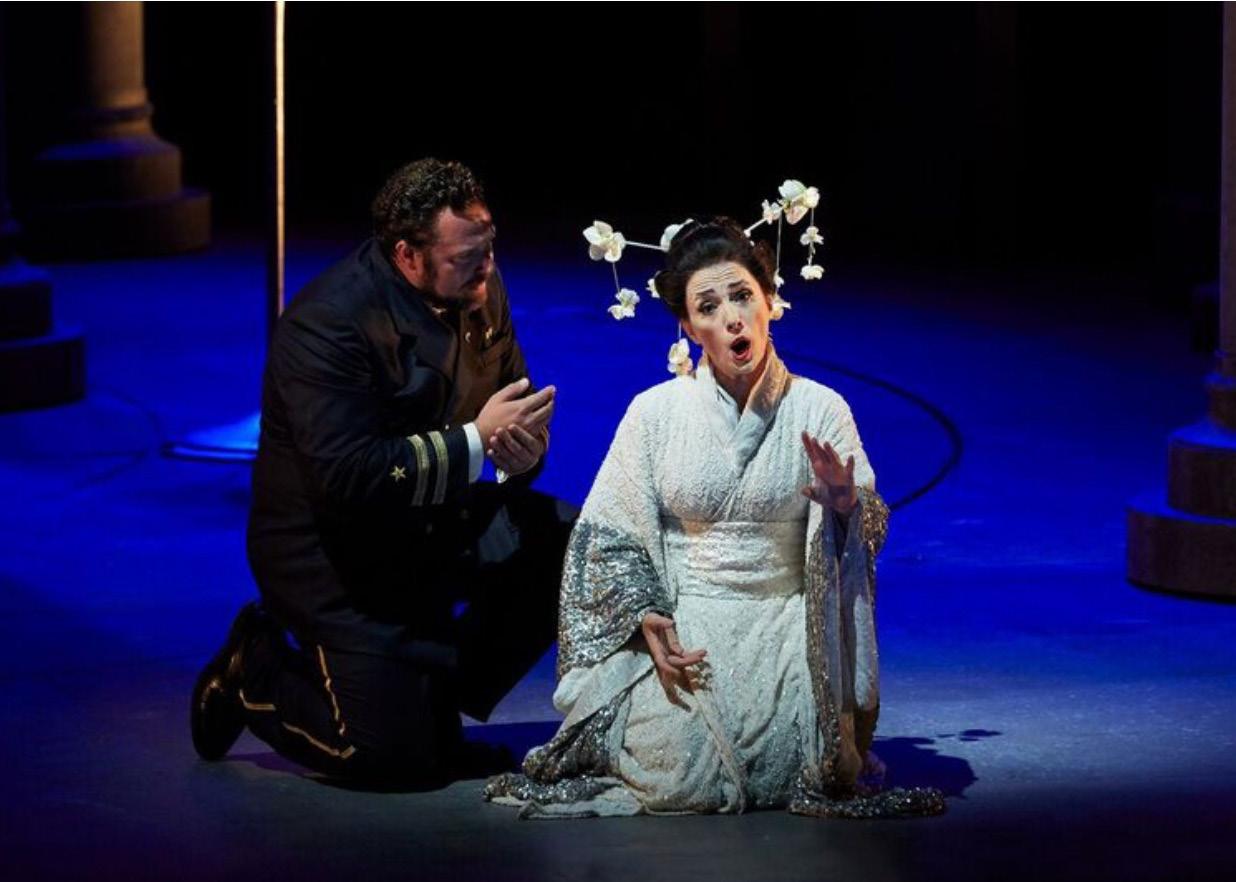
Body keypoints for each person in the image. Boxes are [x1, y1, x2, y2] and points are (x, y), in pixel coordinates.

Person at [485, 218, 943, 818]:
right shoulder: (654, 413)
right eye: (708, 306)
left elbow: (867, 532)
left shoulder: (820, 408)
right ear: (687, 325)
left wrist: (845, 508)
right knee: (676, 774)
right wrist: (646, 612)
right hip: (688, 621)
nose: (731, 318)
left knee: (798, 765)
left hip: (785, 624)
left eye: (743, 296)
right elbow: (607, 534)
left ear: (770, 301)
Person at [190, 158, 574, 786]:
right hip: (334, 555)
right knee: (385, 761)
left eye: (490, 248)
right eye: (466, 257)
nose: (487, 267)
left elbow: (511, 400)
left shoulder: (481, 287)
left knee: (566, 541)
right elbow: (349, 476)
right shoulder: (330, 322)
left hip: (431, 524)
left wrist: (522, 453)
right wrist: (478, 439)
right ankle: (252, 671)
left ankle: (434, 708)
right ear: (407, 255)